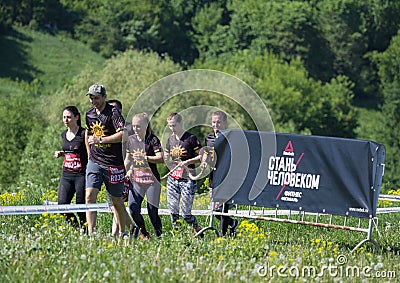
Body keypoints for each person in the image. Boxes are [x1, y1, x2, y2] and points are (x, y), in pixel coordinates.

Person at [84, 84, 127, 237]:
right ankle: (91, 233)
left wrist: (101, 140)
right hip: (95, 160)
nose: (93, 101)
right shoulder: (89, 114)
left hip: (113, 163)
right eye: (91, 98)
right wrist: (90, 153)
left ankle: (123, 232)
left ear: (104, 97)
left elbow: (123, 134)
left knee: (116, 201)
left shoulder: (113, 113)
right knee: (89, 196)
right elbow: (88, 133)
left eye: (96, 98)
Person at [124, 113, 164, 238]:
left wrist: (145, 158)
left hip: (152, 181)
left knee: (152, 211)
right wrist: (126, 171)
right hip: (136, 180)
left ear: (146, 126)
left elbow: (161, 158)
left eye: (138, 126)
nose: (135, 129)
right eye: (134, 126)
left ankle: (159, 236)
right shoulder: (131, 140)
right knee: (133, 209)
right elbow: (128, 159)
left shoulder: (152, 139)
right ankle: (144, 233)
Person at [164, 112, 203, 235]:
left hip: (187, 178)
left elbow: (202, 155)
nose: (172, 128)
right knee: (173, 211)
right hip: (173, 178)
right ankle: (179, 236)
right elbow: (166, 155)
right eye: (170, 126)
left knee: (186, 213)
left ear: (181, 123)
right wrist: (165, 158)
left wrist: (187, 162)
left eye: (174, 125)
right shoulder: (170, 140)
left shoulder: (191, 138)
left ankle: (197, 228)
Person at [203, 110, 238, 236]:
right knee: (216, 210)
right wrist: (204, 162)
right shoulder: (209, 138)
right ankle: (232, 223)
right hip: (214, 177)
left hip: (227, 177)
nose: (215, 125)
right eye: (213, 122)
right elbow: (207, 153)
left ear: (225, 123)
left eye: (218, 122)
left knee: (223, 208)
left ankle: (223, 236)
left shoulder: (232, 137)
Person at [54, 106, 88, 228]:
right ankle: (76, 227)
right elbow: (70, 150)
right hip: (66, 175)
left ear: (76, 117)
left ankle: (86, 234)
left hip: (81, 175)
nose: (65, 120)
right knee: (62, 206)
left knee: (81, 208)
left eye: (68, 117)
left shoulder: (83, 133)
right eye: (64, 117)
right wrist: (61, 153)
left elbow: (88, 154)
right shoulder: (63, 134)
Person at [106, 99, 134, 237]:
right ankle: (118, 234)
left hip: (124, 170)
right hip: (109, 169)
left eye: (113, 109)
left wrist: (129, 169)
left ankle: (126, 231)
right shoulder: (105, 128)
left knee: (118, 203)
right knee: (115, 204)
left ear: (120, 111)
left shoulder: (129, 129)